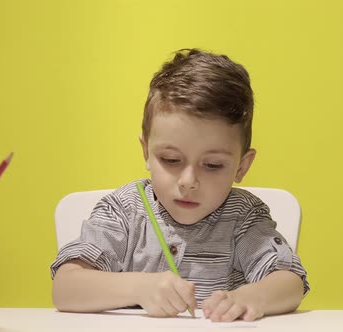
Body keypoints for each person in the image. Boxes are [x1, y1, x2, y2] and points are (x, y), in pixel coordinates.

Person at [50, 48, 309, 322]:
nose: (188, 182)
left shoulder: (243, 216)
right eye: (171, 159)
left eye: (212, 165)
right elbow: (65, 288)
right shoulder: (125, 210)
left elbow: (290, 282)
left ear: (242, 166)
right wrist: (139, 288)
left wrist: (251, 297)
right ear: (146, 152)